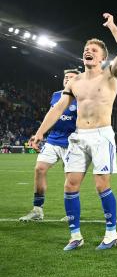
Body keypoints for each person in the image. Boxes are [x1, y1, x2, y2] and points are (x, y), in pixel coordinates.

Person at [29, 13, 117, 251]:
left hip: (101, 136)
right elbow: (57, 109)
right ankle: (75, 236)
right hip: (77, 137)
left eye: (94, 50)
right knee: (70, 185)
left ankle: (111, 233)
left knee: (101, 185)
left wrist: (113, 26)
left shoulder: (110, 74)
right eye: (87, 48)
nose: (89, 51)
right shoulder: (74, 82)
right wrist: (40, 132)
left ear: (103, 57)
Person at [20, 69, 79, 222]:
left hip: (72, 142)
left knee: (70, 178)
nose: (68, 79)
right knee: (39, 169)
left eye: (72, 78)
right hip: (53, 139)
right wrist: (41, 133)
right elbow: (51, 116)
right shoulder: (56, 95)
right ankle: (37, 210)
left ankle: (71, 212)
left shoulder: (83, 96)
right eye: (66, 77)